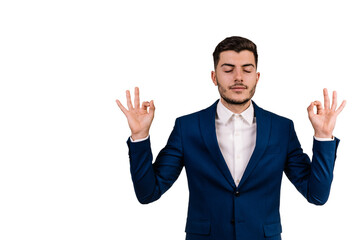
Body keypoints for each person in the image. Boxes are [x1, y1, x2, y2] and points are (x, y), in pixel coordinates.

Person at [116, 36, 346, 240]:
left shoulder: (281, 128)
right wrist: (140, 136)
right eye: (228, 69)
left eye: (247, 70)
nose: (238, 77)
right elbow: (148, 193)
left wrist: (324, 136)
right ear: (214, 77)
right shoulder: (187, 127)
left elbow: (316, 195)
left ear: (257, 77)